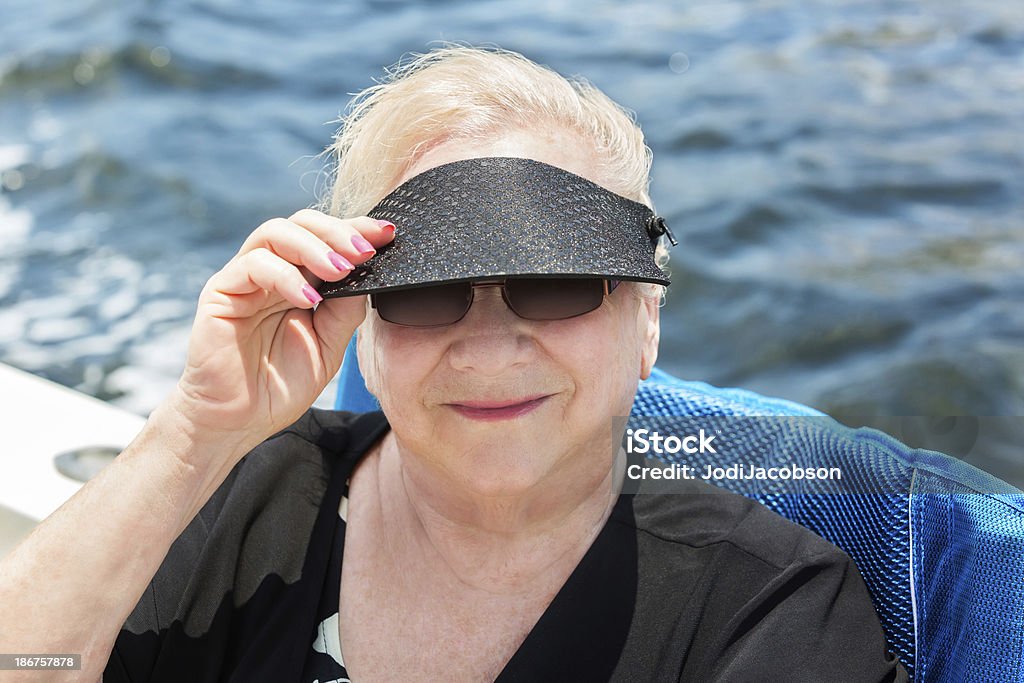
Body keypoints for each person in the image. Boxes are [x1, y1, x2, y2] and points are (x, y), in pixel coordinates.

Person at [0, 45, 907, 682]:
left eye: (556, 283)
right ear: (357, 319)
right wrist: (195, 432)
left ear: (647, 323)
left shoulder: (766, 611)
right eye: (425, 293)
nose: (488, 344)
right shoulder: (250, 497)